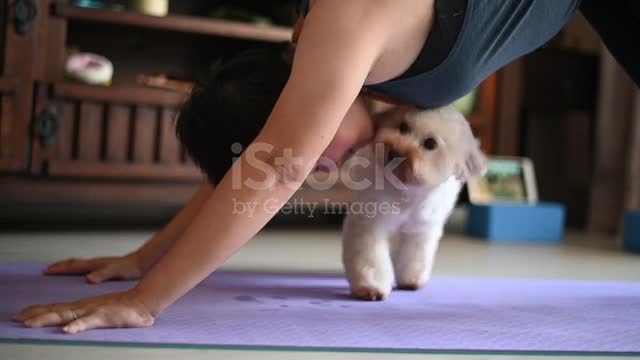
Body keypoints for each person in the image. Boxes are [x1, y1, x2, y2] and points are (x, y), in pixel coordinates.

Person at [14, 0, 639, 333]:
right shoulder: (319, 74)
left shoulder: (339, 29)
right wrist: (143, 257)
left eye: (317, 151)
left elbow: (276, 165)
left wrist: (146, 301)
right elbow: (252, 170)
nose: (326, 166)